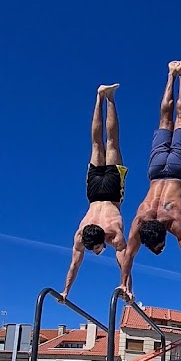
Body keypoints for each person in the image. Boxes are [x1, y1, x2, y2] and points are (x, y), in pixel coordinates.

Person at [120, 60, 181, 299]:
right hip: (156, 171)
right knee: (165, 121)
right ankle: (170, 74)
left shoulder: (174, 222)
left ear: (163, 235)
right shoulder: (140, 220)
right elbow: (128, 256)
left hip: (177, 171)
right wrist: (123, 283)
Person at [61, 84, 129, 299]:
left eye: (98, 248)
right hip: (93, 192)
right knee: (97, 145)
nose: (99, 251)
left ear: (103, 239)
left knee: (110, 143)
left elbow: (123, 259)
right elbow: (74, 264)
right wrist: (65, 291)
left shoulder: (113, 233)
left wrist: (126, 286)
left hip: (110, 191)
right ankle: (101, 97)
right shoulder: (82, 234)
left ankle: (108, 99)